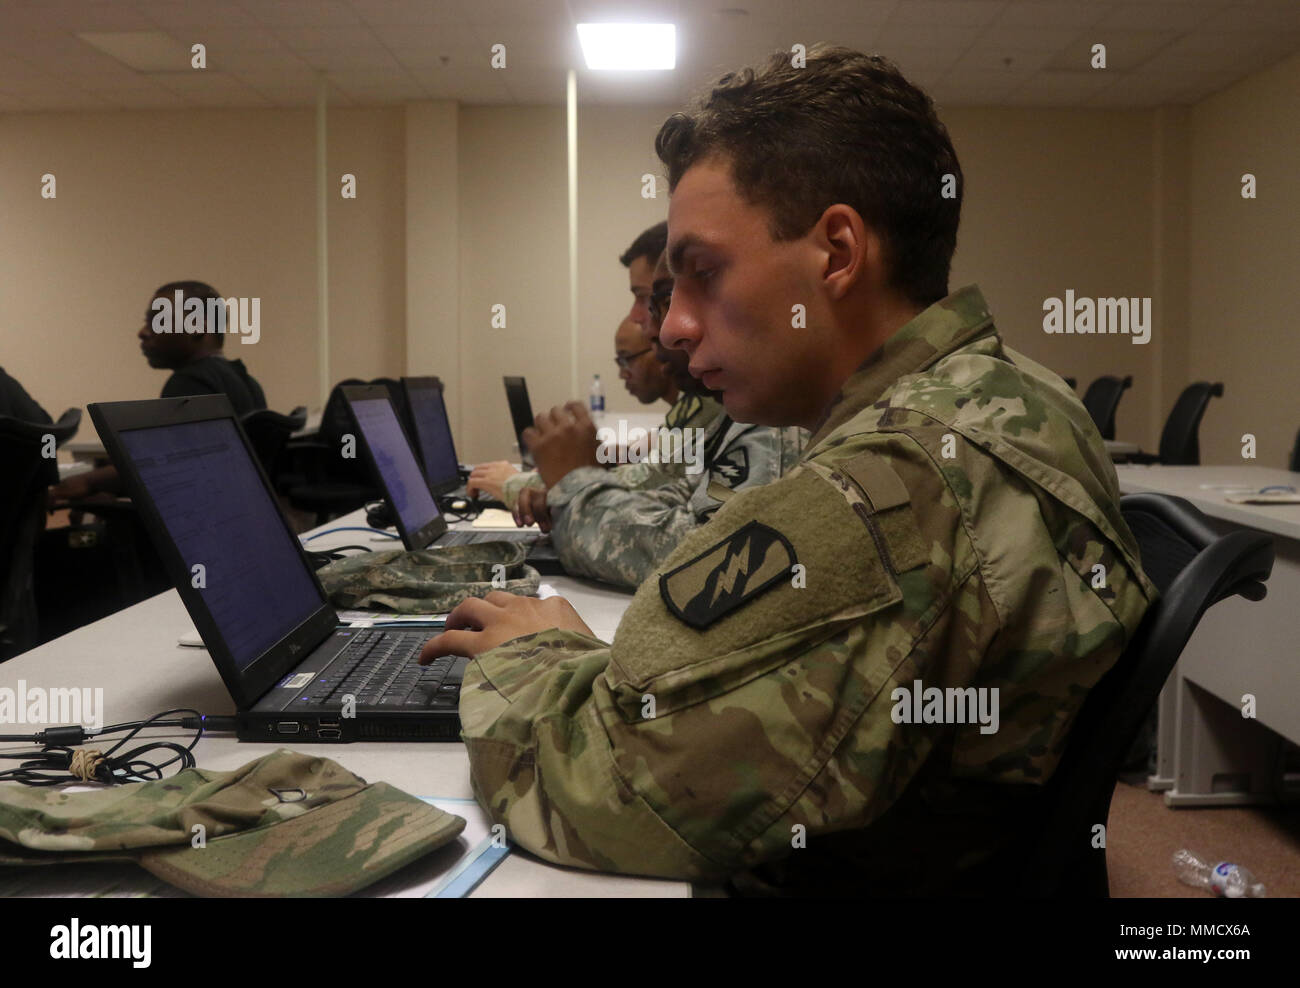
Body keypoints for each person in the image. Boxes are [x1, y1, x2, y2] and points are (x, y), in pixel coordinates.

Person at [420, 46, 1155, 894]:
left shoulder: (892, 481)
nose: (674, 329)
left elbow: (610, 793)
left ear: (837, 254)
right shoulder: (1014, 390)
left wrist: (531, 654)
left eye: (703, 274)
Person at [511, 253, 804, 589]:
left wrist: (576, 486)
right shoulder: (736, 414)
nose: (662, 332)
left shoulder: (774, 417)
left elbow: (712, 563)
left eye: (656, 302)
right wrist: (566, 496)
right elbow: (674, 499)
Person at [469, 222, 688, 509]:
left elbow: (648, 482)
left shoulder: (716, 402)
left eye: (646, 297)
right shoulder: (694, 408)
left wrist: (516, 483)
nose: (638, 318)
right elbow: (660, 461)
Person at [49, 281, 266, 501]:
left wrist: (86, 481)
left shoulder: (190, 383)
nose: (142, 332)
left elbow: (168, 472)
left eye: (158, 320)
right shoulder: (245, 380)